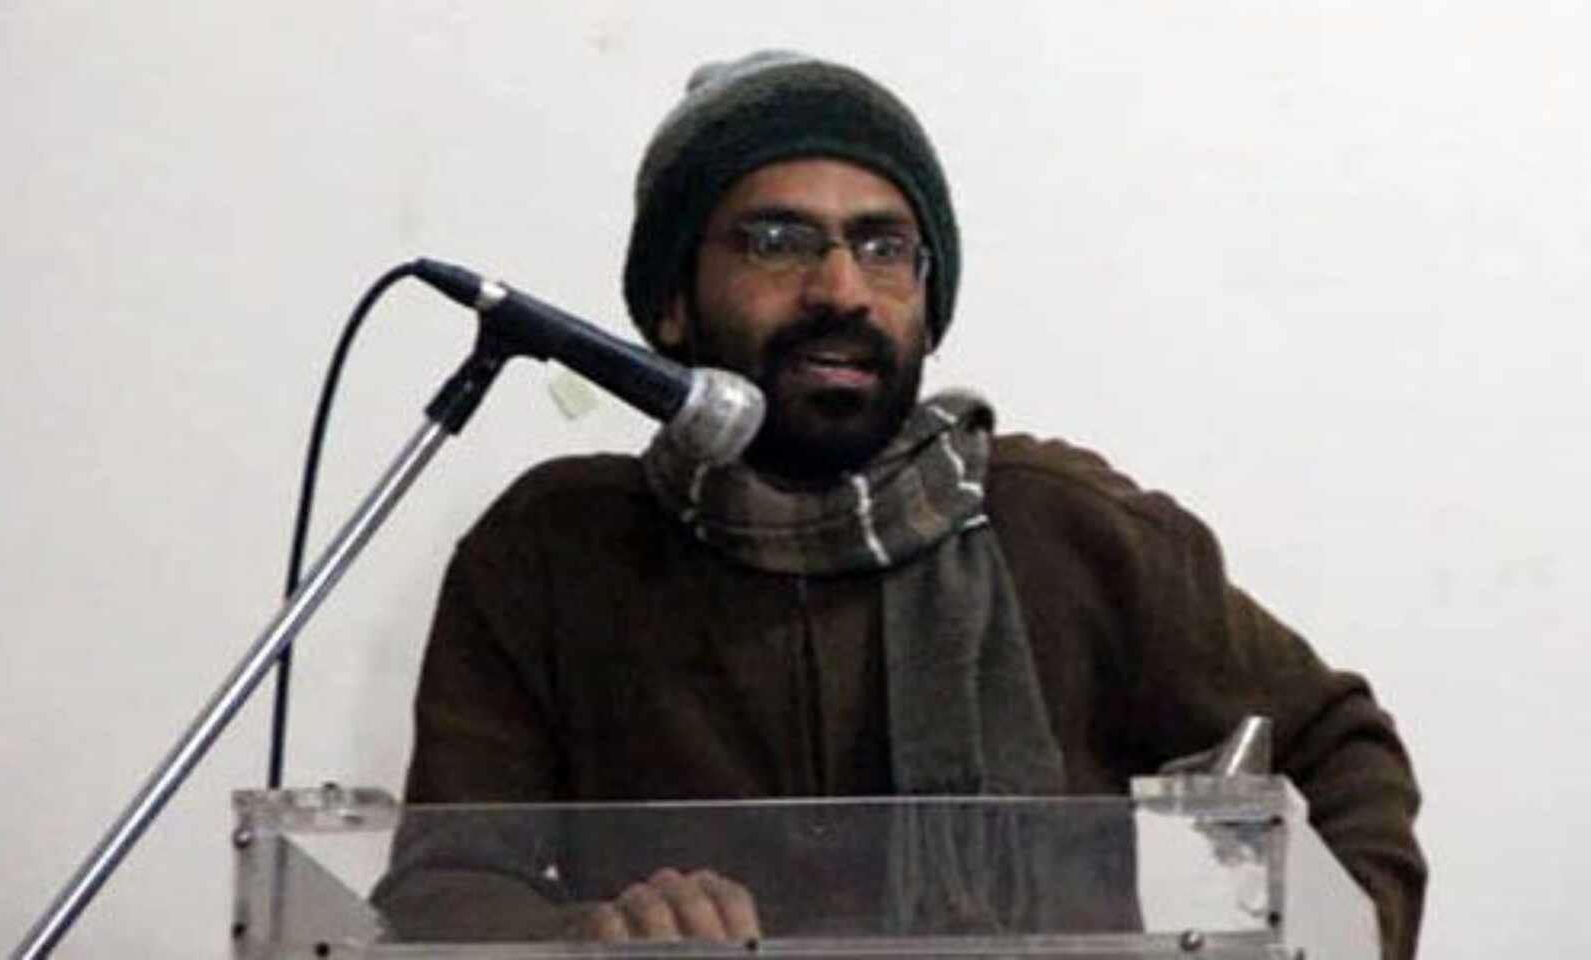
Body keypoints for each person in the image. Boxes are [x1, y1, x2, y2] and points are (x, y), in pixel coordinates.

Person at [378, 51, 1425, 958]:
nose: (842, 289)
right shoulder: (554, 553)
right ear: (670, 302)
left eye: (884, 248)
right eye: (776, 241)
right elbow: (443, 889)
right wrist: (593, 938)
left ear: (929, 303)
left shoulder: (1066, 533)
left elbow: (1337, 747)